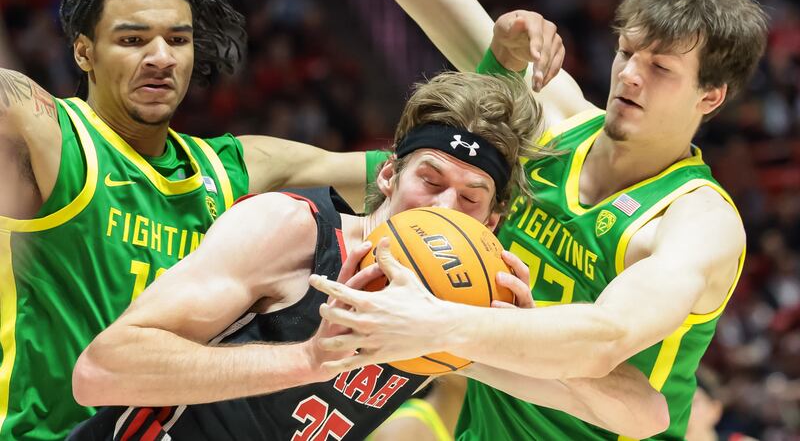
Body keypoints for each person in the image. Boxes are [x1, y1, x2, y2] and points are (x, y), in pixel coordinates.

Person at [307, 0, 770, 439]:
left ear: (710, 97)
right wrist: (502, 43)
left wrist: (434, 324)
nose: (631, 76)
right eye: (626, 52)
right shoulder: (550, 120)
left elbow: (606, 337)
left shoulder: (698, 220)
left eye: (661, 68)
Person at [67, 71, 669, 441]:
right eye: (429, 181)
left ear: (493, 220)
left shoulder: (449, 321)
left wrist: (514, 329)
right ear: (387, 175)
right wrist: (309, 359)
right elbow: (100, 372)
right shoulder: (291, 230)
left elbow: (644, 415)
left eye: (472, 196)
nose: (447, 208)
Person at [0, 0, 367, 438]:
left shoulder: (234, 166)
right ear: (84, 51)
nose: (160, 58)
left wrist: (503, 61)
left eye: (178, 39)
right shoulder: (44, 134)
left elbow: (423, 169)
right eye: (132, 40)